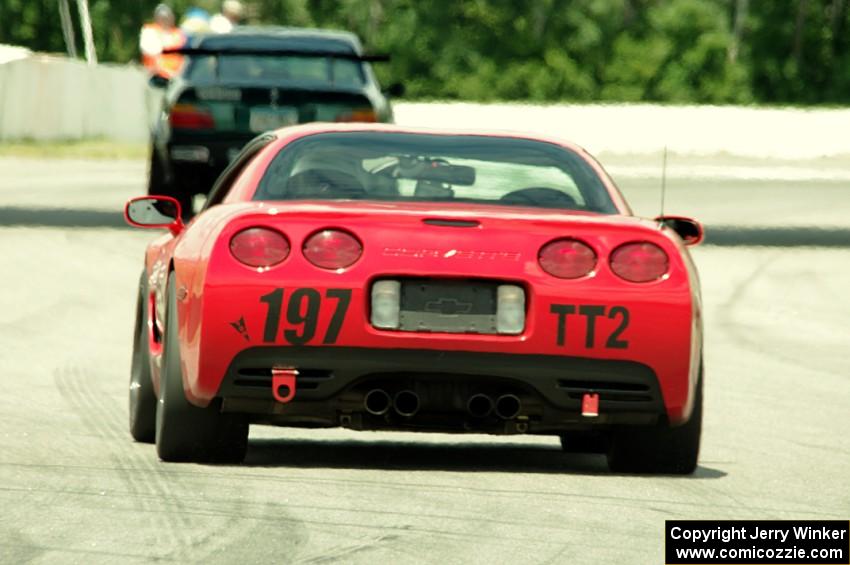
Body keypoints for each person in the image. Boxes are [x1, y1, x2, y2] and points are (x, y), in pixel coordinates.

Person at [139, 4, 186, 78]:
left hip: (176, 76)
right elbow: (149, 50)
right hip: (154, 75)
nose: (165, 20)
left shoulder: (178, 33)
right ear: (157, 18)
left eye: (167, 17)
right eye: (162, 17)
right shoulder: (150, 31)